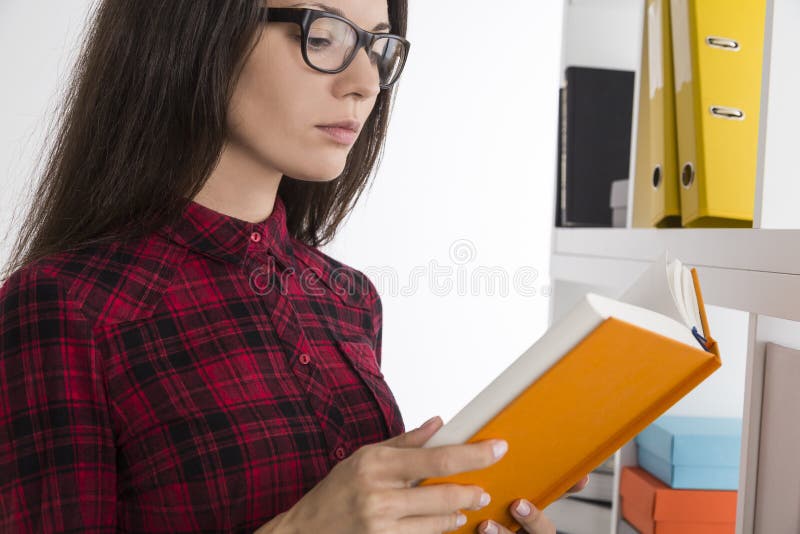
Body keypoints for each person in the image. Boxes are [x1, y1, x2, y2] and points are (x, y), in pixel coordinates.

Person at [0, 1, 588, 532]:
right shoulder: (62, 307)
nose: (364, 83)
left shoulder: (348, 296)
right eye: (325, 35)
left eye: (379, 47)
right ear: (200, 31)